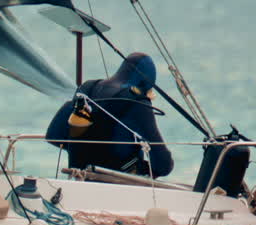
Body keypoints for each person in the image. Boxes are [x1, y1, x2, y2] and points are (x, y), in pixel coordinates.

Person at [46, 52, 174, 177]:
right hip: (117, 185)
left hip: (79, 178)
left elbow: (53, 135)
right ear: (145, 84)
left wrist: (84, 152)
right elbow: (163, 165)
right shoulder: (136, 100)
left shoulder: (87, 88)